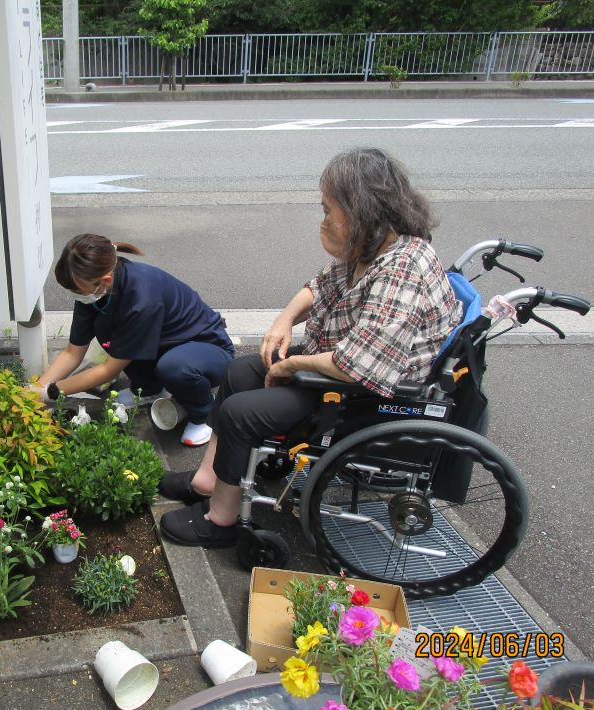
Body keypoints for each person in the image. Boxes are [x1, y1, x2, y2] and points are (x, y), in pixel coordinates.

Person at [158, 147, 463, 546]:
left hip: (360, 394)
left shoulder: (401, 267)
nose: (322, 221)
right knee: (239, 372)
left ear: (359, 212)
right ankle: (208, 480)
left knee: (239, 413)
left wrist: (291, 364)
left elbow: (358, 366)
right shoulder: (375, 247)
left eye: (327, 210)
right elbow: (319, 286)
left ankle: (222, 518)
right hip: (338, 368)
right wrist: (284, 319)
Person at [35, 233, 234, 446]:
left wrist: (51, 392)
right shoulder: (92, 292)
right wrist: (36, 389)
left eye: (78, 291)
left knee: (173, 367)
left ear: (105, 281)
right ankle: (149, 389)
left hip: (207, 349)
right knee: (113, 333)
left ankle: (205, 414)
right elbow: (73, 351)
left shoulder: (142, 299)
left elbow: (109, 370)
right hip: (163, 342)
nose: (77, 296)